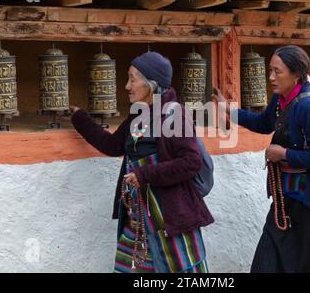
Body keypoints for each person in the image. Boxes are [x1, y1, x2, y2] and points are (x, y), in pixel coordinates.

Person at [213, 45, 310, 273]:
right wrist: (230, 111)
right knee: (267, 262)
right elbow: (264, 123)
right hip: (286, 201)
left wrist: (284, 154)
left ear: (296, 74)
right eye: (270, 70)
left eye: (277, 71)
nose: (271, 77)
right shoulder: (282, 100)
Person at [69, 51, 214, 273]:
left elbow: (191, 162)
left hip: (168, 218)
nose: (127, 86)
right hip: (139, 219)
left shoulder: (174, 115)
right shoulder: (138, 116)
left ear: (151, 85)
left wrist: (144, 175)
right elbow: (112, 145)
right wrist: (81, 119)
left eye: (133, 79)